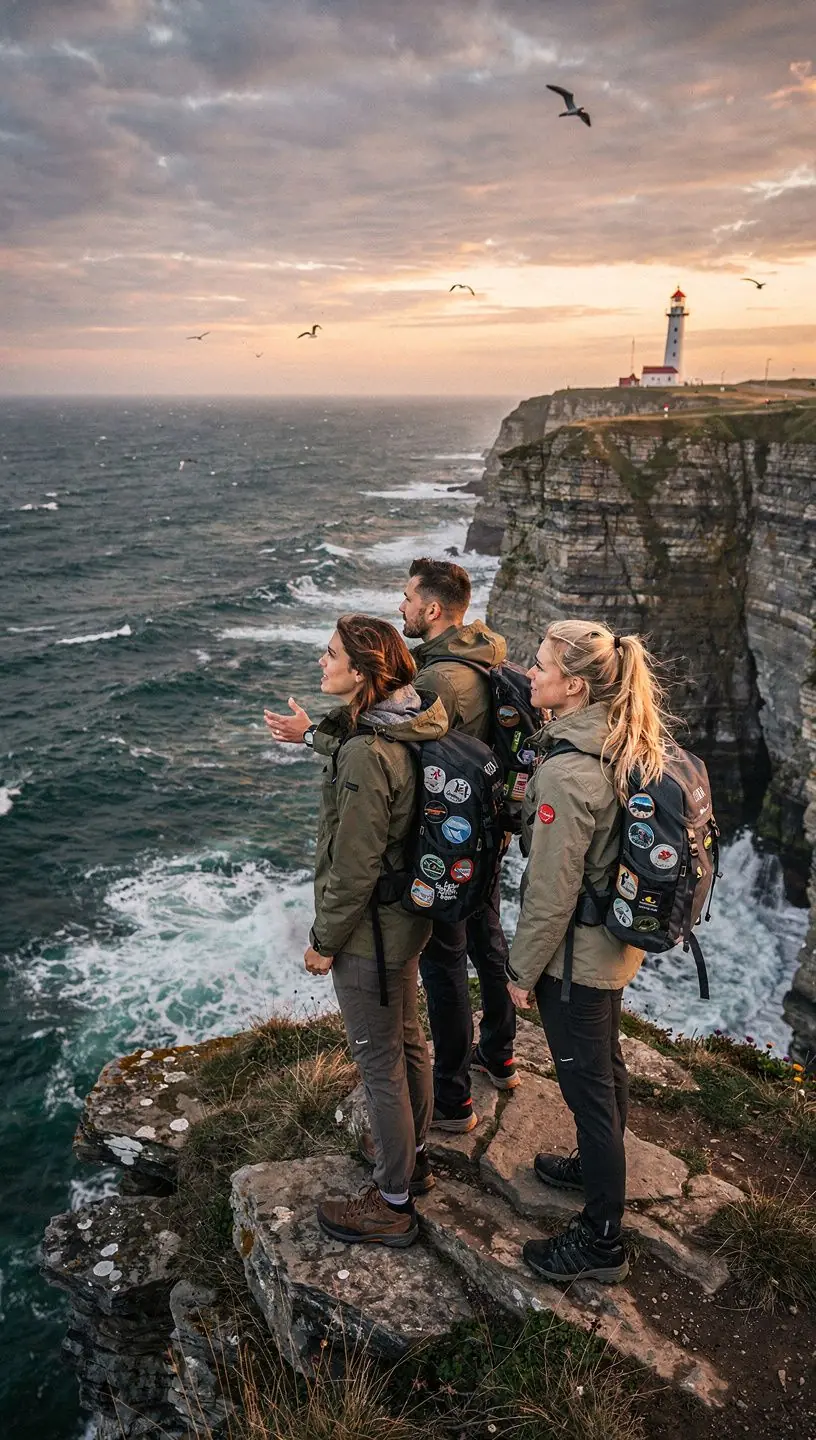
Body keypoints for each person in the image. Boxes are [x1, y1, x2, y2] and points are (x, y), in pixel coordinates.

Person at [264, 616, 448, 1248]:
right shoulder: (405, 720)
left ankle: (393, 1202)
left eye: (333, 653)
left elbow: (355, 866)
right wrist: (310, 734)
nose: (322, 660)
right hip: (405, 921)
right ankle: (413, 1161)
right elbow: (350, 739)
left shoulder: (368, 756)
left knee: (380, 1063)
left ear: (364, 673)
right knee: (406, 1041)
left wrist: (323, 941)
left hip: (370, 933)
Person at [506, 620, 671, 1285]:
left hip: (577, 961)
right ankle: (590, 1168)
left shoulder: (567, 774)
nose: (529, 672)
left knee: (589, 1091)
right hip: (612, 947)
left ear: (572, 686)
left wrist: (520, 973)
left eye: (541, 665)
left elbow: (549, 893)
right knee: (604, 1068)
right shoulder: (621, 740)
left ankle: (602, 1240)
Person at [399, 557, 518, 1133]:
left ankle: (452, 1098)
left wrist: (317, 736)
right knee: (487, 942)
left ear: (433, 609)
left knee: (443, 964)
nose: (401, 608)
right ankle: (500, 1055)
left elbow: (409, 750)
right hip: (488, 829)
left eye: (406, 598)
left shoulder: (438, 680)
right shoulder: (485, 653)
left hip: (452, 839)